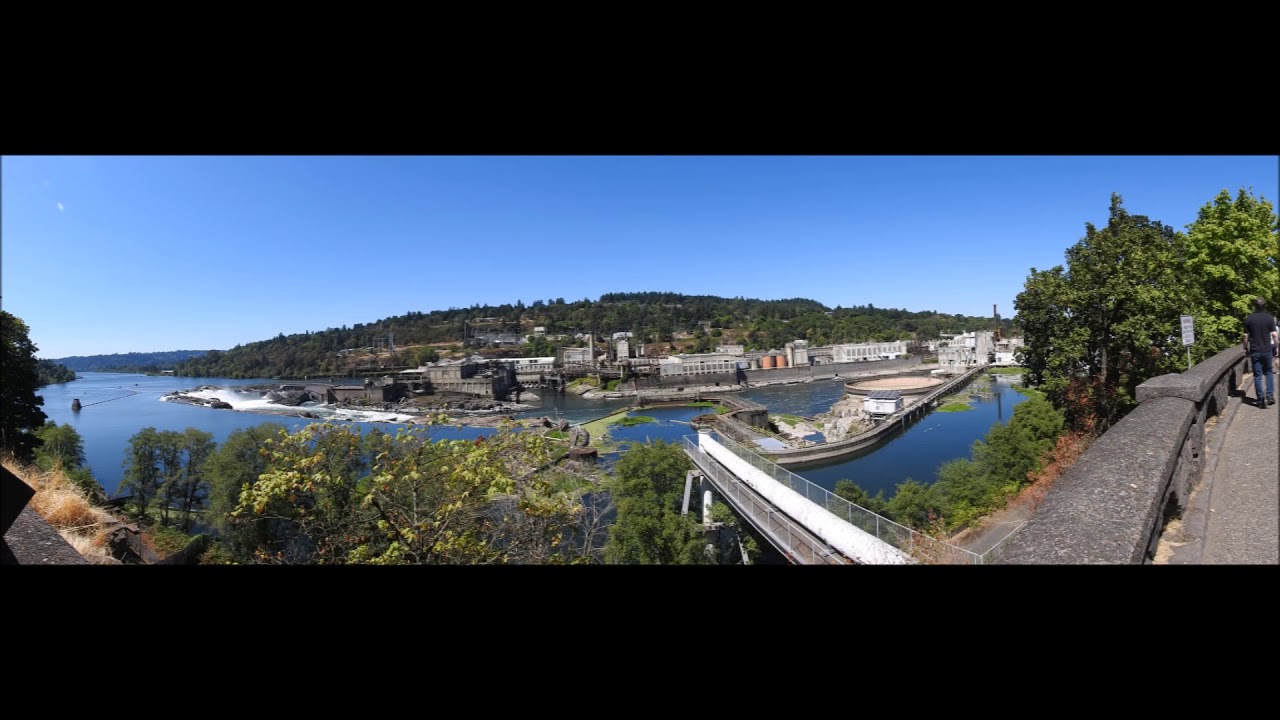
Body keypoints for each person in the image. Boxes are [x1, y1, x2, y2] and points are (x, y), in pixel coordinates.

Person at [1242, 297, 1276, 408]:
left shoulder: (1249, 319)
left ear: (1255, 306)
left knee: (1257, 376)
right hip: (1266, 350)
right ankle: (1270, 395)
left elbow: (1245, 336)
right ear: (1264, 306)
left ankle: (1260, 399)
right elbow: (1274, 335)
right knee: (1269, 372)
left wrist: (1245, 348)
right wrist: (1277, 347)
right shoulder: (1269, 318)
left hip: (1255, 351)